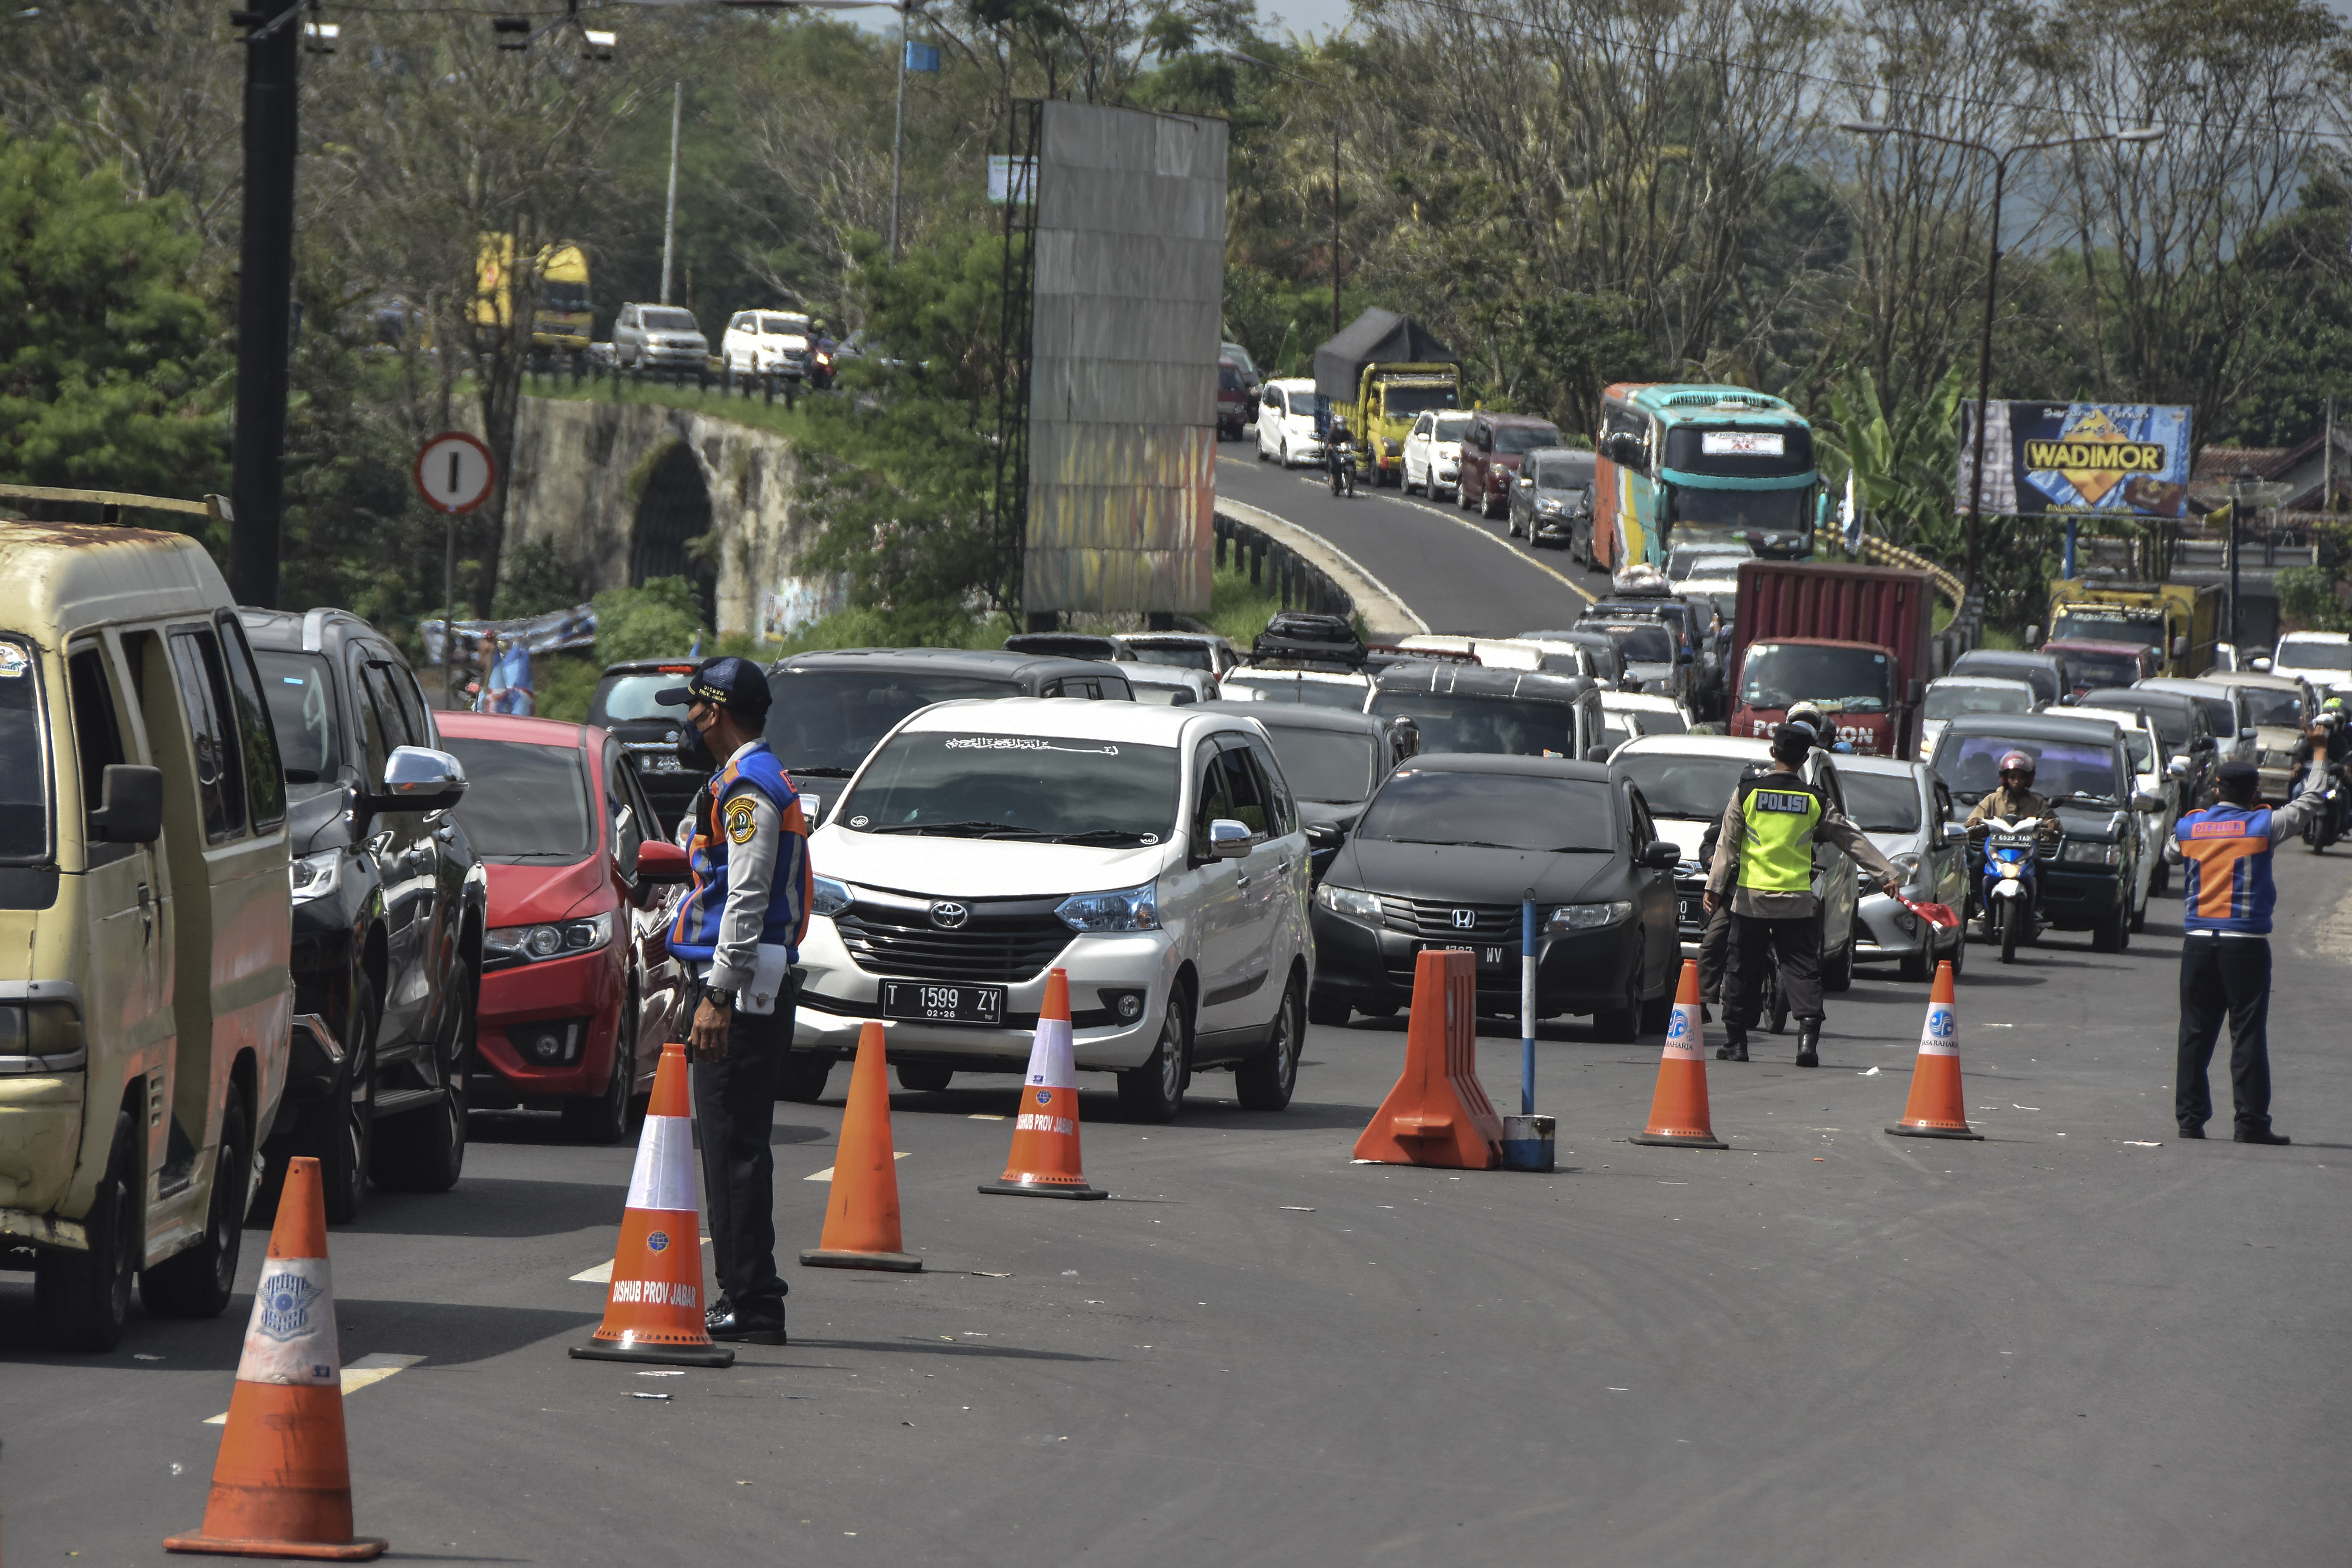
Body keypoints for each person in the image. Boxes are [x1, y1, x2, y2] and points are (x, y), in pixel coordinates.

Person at [655, 656, 814, 1344]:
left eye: (692, 709)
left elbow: (746, 899)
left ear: (714, 712)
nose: (687, 722)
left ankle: (751, 1300)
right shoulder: (750, 780)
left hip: (741, 990)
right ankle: (747, 1294)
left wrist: (717, 993)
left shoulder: (748, 788)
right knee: (730, 1146)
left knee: (732, 1150)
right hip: (746, 982)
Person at [1704, 721, 1902, 1066]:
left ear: (1773, 753)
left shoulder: (1747, 793)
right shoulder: (1815, 800)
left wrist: (1714, 888)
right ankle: (1807, 1043)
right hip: (1796, 902)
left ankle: (1737, 1043)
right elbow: (1850, 838)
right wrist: (1886, 873)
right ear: (1804, 759)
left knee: (1740, 969)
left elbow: (1726, 845)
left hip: (1751, 901)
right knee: (1801, 969)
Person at [2167, 758, 2326, 1144]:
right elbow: (2311, 801)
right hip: (2245, 945)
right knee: (2247, 1033)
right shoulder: (2263, 825)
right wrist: (2320, 755)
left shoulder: (2190, 826)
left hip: (2198, 941)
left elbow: (2171, 853)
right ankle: (2250, 1122)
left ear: (2216, 789)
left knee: (2194, 1032)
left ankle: (2190, 1120)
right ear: (2255, 793)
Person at [1784, 701, 1852, 754]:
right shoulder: (1781, 749)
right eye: (1800, 722)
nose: (1805, 727)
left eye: (1810, 723)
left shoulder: (1821, 754)